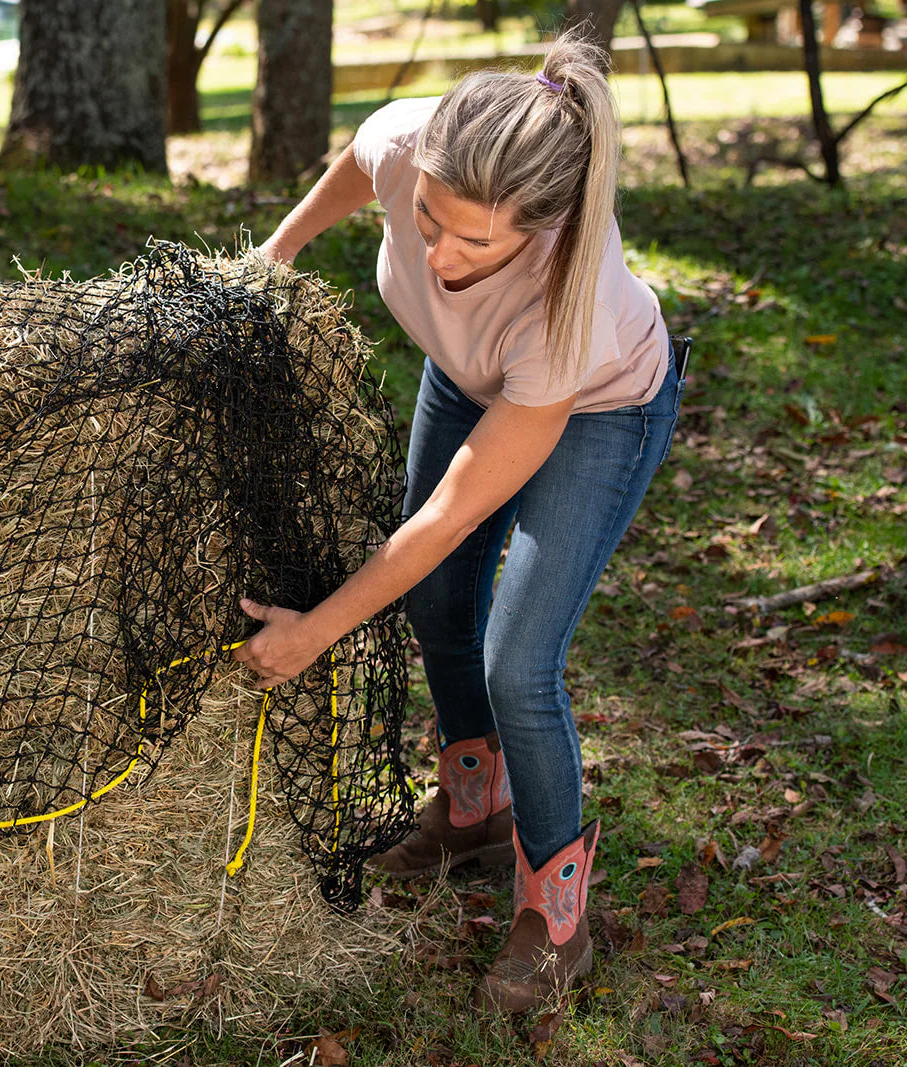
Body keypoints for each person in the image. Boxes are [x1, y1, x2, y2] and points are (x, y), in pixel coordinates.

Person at [232, 35, 685, 1012]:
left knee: (517, 661)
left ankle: (551, 914)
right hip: (470, 371)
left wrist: (312, 632)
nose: (437, 256)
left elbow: (445, 516)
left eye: (472, 243)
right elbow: (360, 168)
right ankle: (475, 806)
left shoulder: (572, 309)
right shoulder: (410, 141)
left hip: (597, 405)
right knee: (438, 606)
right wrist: (280, 248)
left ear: (542, 227)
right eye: (429, 220)